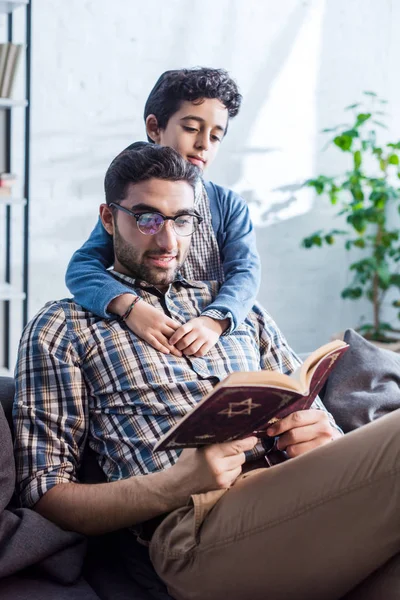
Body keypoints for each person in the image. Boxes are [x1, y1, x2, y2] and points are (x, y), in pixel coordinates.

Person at [14, 144, 400, 600]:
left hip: (304, 504)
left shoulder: (238, 311)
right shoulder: (63, 326)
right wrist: (173, 485)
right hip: (196, 535)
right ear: (107, 218)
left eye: (181, 220)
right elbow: (45, 495)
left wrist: (324, 437)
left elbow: (312, 409)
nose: (168, 242)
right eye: (147, 219)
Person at [65, 67, 260, 359]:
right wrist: (131, 307)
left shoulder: (228, 205)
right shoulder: (131, 202)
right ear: (155, 128)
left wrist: (214, 321)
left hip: (205, 335)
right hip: (146, 339)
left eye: (216, 136)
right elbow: (81, 268)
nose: (203, 144)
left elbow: (245, 273)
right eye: (192, 128)